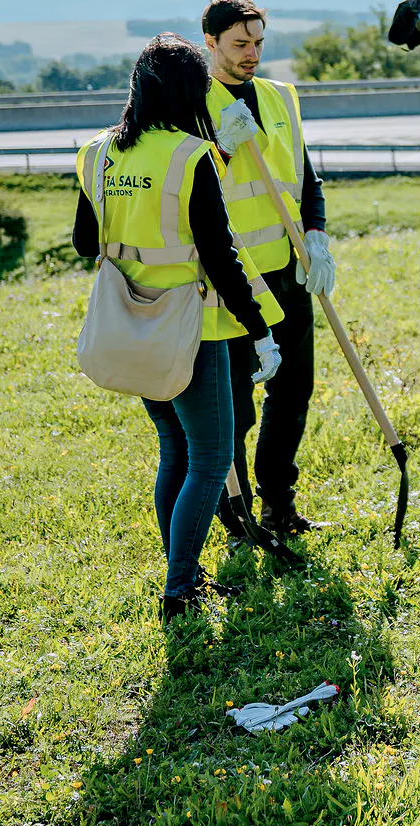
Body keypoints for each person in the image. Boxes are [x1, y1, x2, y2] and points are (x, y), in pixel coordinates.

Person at [72, 34, 284, 622]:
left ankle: (178, 571)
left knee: (174, 446)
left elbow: (86, 241)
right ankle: (180, 586)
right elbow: (221, 256)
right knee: (212, 456)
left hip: (132, 322)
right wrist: (260, 329)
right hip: (195, 326)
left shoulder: (96, 153)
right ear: (193, 91)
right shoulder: (192, 155)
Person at [200, 0, 336, 539]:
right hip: (230, 278)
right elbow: (188, 188)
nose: (252, 53)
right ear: (210, 42)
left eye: (258, 42)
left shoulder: (280, 97)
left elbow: (304, 176)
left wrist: (318, 235)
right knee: (237, 402)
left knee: (294, 389)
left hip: (287, 268)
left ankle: (279, 501)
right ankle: (236, 514)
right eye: (240, 44)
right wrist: (224, 150)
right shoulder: (192, 102)